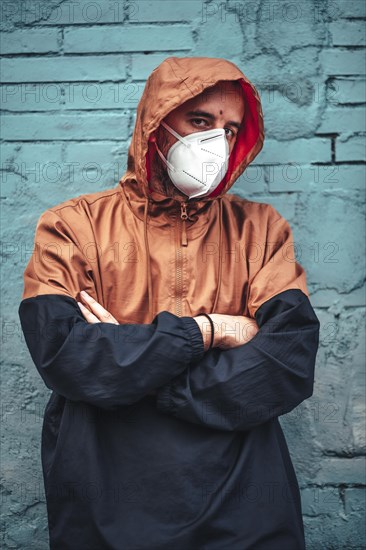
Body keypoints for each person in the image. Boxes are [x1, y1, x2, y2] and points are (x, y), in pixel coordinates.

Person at [18, 56, 320, 550]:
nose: (215, 143)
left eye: (229, 130)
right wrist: (210, 330)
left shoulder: (261, 230)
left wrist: (133, 365)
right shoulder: (73, 227)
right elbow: (65, 356)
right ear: (156, 124)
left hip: (242, 498)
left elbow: (288, 363)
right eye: (200, 121)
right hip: (105, 491)